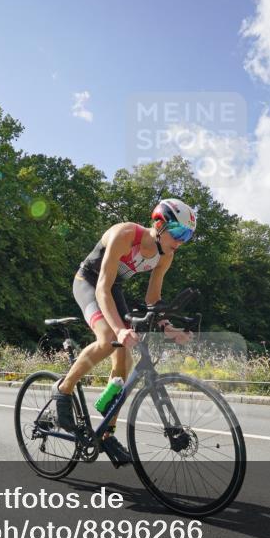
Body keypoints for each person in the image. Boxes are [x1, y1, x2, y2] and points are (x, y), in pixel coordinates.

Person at [50, 198, 197, 467]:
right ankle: (63, 388)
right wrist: (119, 330)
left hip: (114, 288)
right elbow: (101, 288)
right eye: (178, 232)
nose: (181, 241)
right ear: (159, 225)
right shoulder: (125, 234)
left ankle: (106, 433)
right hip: (89, 282)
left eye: (187, 236)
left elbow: (153, 299)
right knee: (108, 339)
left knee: (125, 360)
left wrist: (169, 328)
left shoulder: (166, 255)